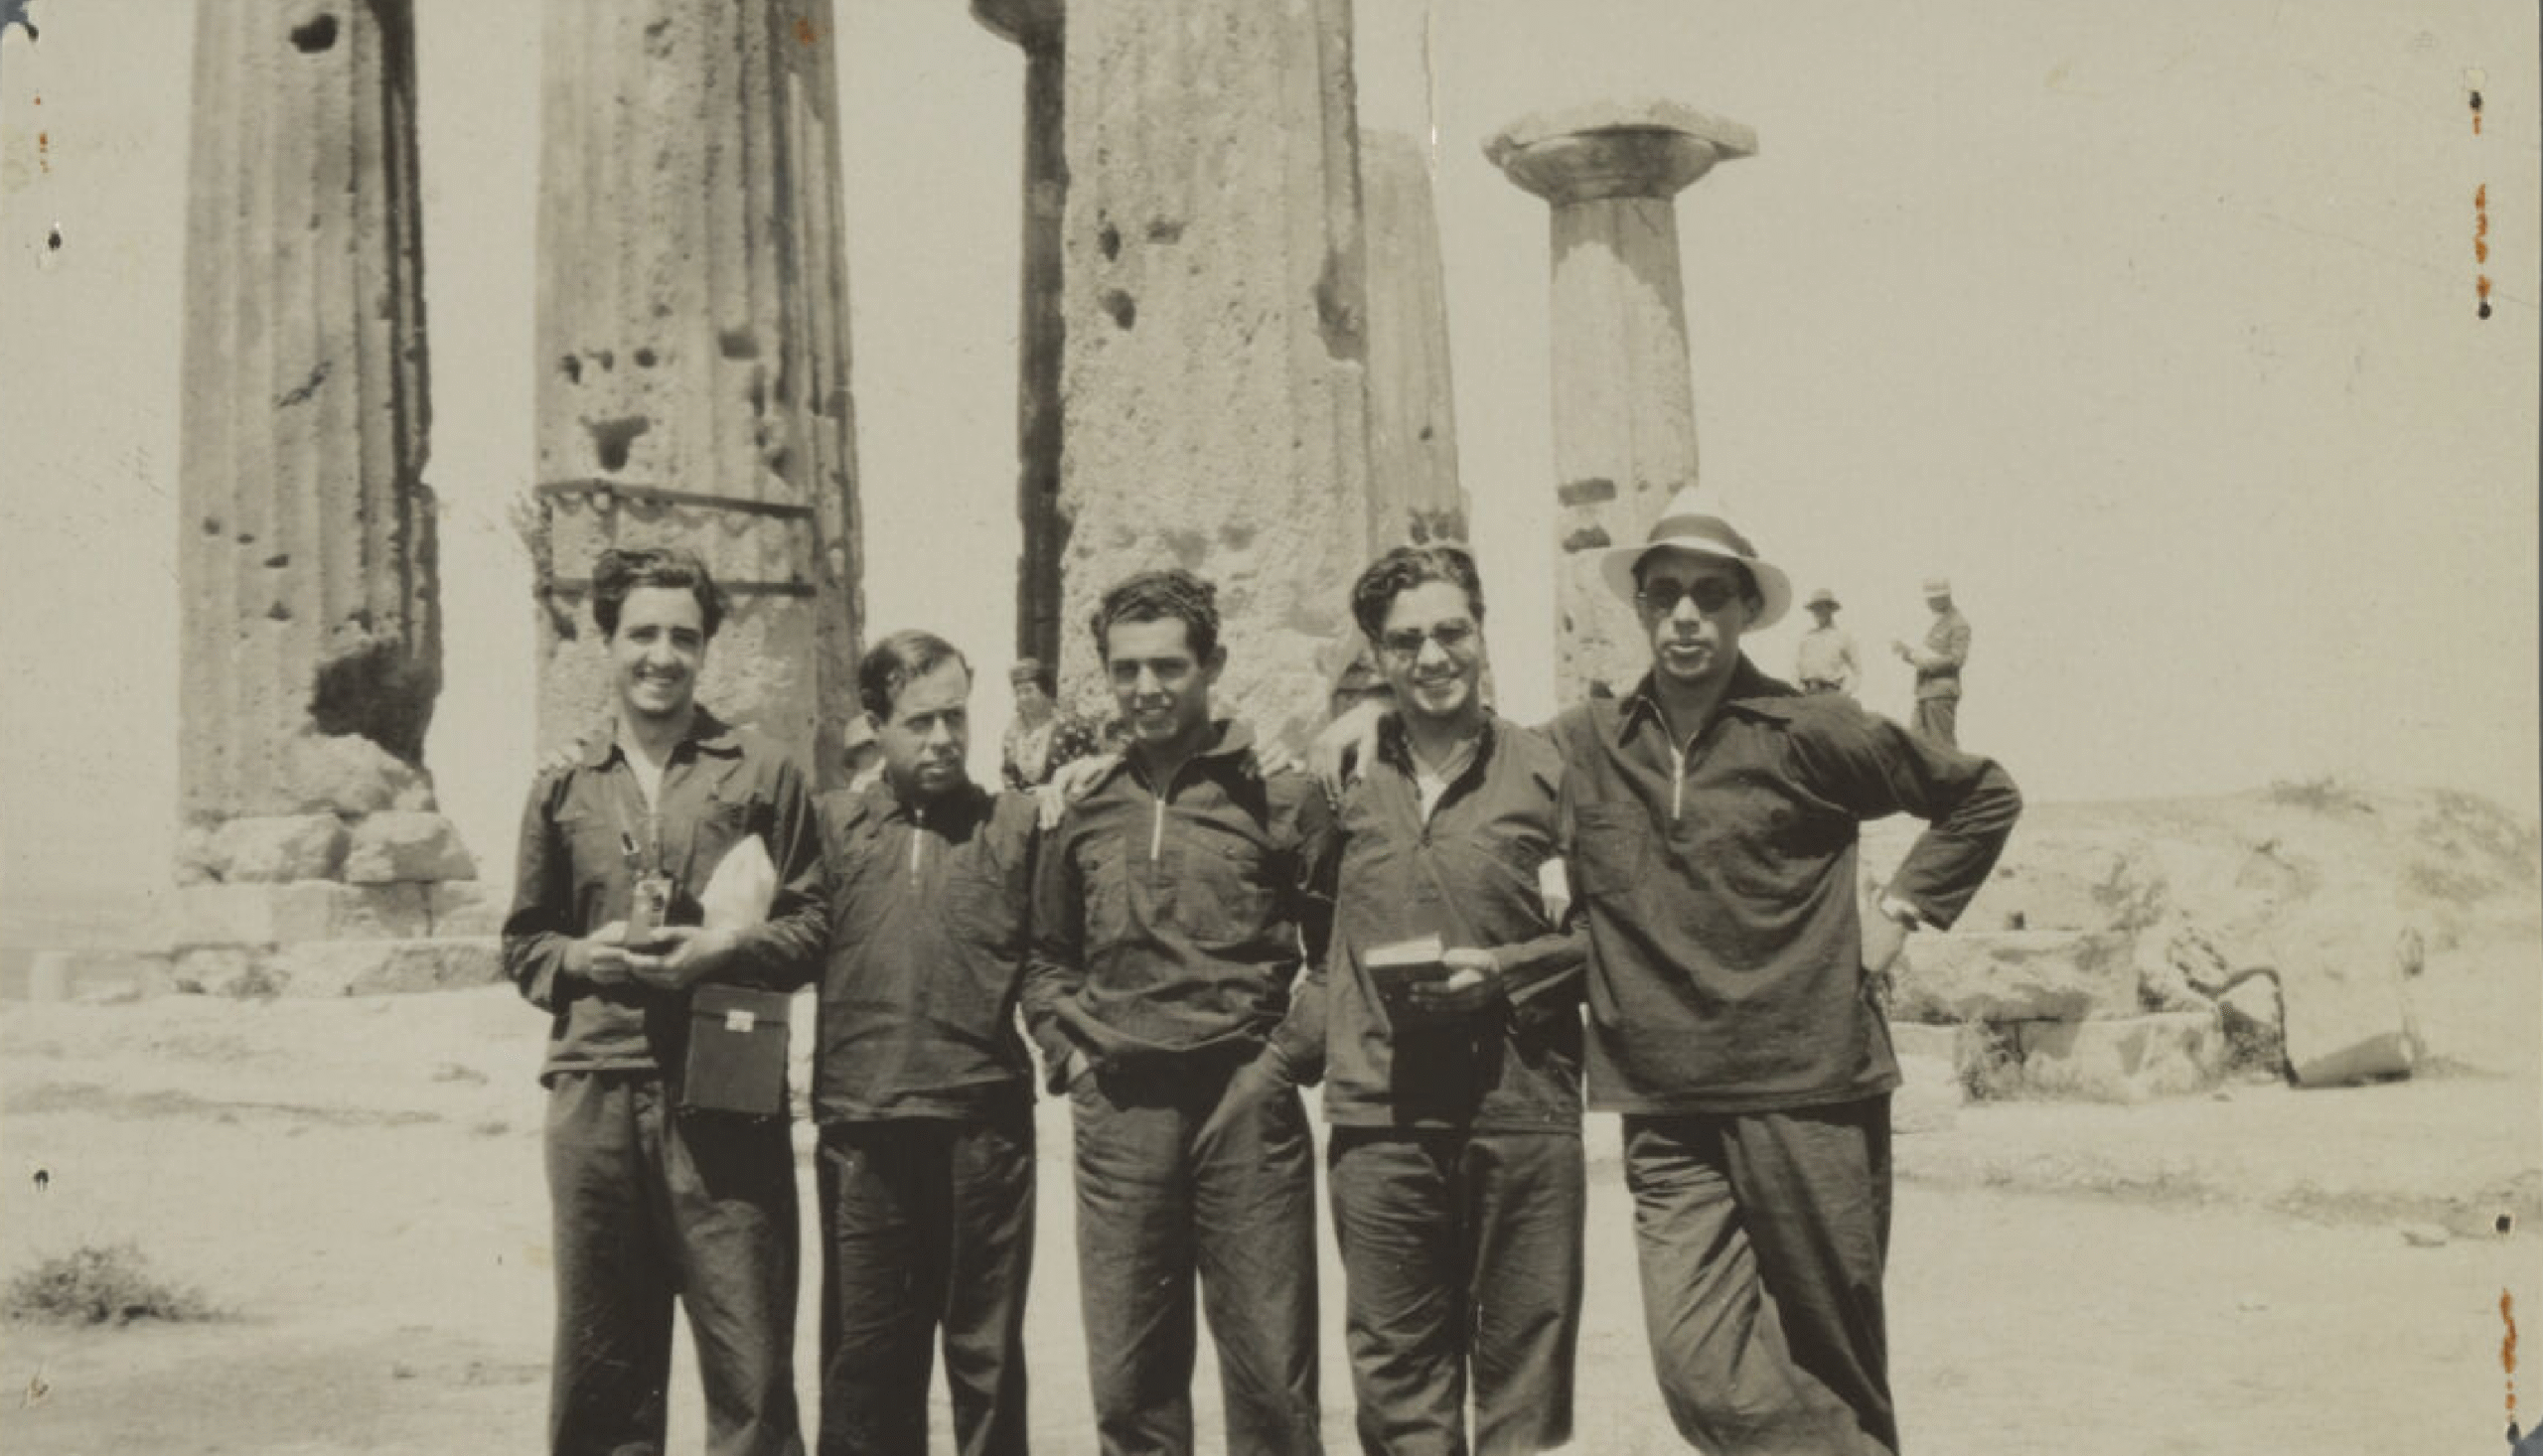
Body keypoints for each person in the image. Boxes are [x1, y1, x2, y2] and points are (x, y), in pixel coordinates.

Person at [1562, 492, 2019, 1453]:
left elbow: (1981, 795)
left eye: (1710, 596)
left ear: (1742, 612)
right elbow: (1466, 752)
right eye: (1667, 595)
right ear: (1640, 607)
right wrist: (1366, 716)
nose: (1686, 614)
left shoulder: (1810, 727)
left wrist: (1896, 915)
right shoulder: (1590, 742)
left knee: (1833, 1364)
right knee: (1701, 1375)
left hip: (1811, 1091)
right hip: (1663, 1101)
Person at [501, 545, 824, 1456]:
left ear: (707, 648)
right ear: (605, 642)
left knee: (750, 1363)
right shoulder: (562, 784)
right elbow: (524, 946)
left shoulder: (763, 773)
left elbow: (814, 928)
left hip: (729, 1079)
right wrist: (585, 959)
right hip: (596, 1090)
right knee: (604, 1365)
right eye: (641, 632)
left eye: (683, 636)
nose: (662, 655)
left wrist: (730, 947)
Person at [1023, 568, 1335, 1455]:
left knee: (1272, 1377)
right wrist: (1072, 1059)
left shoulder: (1279, 795)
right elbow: (1046, 960)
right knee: (1130, 1380)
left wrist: (1282, 1064)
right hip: (1119, 1107)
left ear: (1213, 665)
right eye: (1126, 670)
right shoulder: (1081, 805)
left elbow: (1335, 947)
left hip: (1245, 1107)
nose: (1146, 690)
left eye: (1168, 667)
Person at [1288, 544, 1587, 1456]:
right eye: (1406, 641)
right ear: (1376, 657)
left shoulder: (1549, 769)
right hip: (1381, 1118)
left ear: (1482, 634)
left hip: (1523, 1110)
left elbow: (1614, 937)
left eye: (1451, 632)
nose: (1432, 658)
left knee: (1524, 1372)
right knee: (1397, 1375)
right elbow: (1293, 912)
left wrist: (1511, 971)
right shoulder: (1337, 781)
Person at [812, 631, 1040, 1456]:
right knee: (867, 1362)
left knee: (984, 1357)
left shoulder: (1014, 826)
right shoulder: (829, 829)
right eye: (920, 721)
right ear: (876, 724)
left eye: (955, 717)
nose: (943, 738)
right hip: (863, 1124)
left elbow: (1051, 960)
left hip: (984, 1130)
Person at [1890, 576, 1971, 746]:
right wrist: (1907, 653)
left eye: (1933, 599)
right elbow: (1925, 657)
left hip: (1941, 693)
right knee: (1916, 743)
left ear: (1945, 597)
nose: (1929, 603)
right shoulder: (1938, 622)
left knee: (1941, 746)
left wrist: (1925, 662)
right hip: (1924, 691)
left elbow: (1957, 659)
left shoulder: (1958, 623)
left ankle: (1953, 774)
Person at [999, 656, 1102, 792]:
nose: (1023, 698)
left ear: (1045, 691)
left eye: (1029, 691)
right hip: (1026, 810)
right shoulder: (1012, 735)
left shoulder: (1072, 727)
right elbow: (1009, 778)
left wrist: (1053, 792)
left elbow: (1089, 773)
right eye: (1018, 693)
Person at [1793, 587, 1860, 696]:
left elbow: (1857, 670)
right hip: (1807, 693)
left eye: (1821, 607)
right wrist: (1798, 689)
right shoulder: (1806, 638)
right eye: (1815, 608)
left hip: (1831, 693)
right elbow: (1796, 668)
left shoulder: (1843, 637)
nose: (1818, 612)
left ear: (1830, 609)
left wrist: (1844, 693)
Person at [841, 711, 886, 795]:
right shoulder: (859, 779)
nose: (859, 758)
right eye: (856, 753)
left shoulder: (886, 769)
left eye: (867, 750)